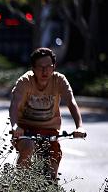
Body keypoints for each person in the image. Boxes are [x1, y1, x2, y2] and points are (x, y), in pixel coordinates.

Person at [9, 47, 86, 180]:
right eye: (40, 67)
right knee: (27, 147)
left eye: (49, 66)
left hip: (50, 131)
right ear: (33, 68)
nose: (45, 71)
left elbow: (71, 102)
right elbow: (14, 104)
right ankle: (19, 186)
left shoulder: (59, 80)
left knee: (52, 164)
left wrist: (79, 126)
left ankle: (50, 191)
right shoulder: (25, 81)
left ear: (54, 67)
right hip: (25, 130)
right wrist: (15, 126)